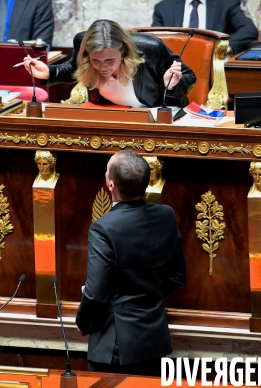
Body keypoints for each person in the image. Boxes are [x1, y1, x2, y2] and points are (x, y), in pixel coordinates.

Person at [76, 150, 187, 375]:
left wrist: (83, 322)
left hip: (115, 347)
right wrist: (147, 295)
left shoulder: (103, 228)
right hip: (154, 342)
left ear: (111, 185)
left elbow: (95, 293)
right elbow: (177, 276)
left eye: (107, 170)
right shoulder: (166, 215)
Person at [23, 19, 196, 108]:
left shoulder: (151, 48)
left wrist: (171, 85)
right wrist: (49, 73)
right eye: (95, 60)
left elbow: (190, 76)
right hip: (114, 115)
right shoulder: (82, 43)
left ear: (123, 51)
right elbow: (73, 70)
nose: (103, 66)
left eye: (109, 60)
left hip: (154, 118)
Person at [151, 0, 259, 54]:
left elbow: (248, 30)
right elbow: (154, 41)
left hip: (211, 65)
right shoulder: (164, 8)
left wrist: (222, 48)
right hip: (174, 67)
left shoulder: (225, 4)